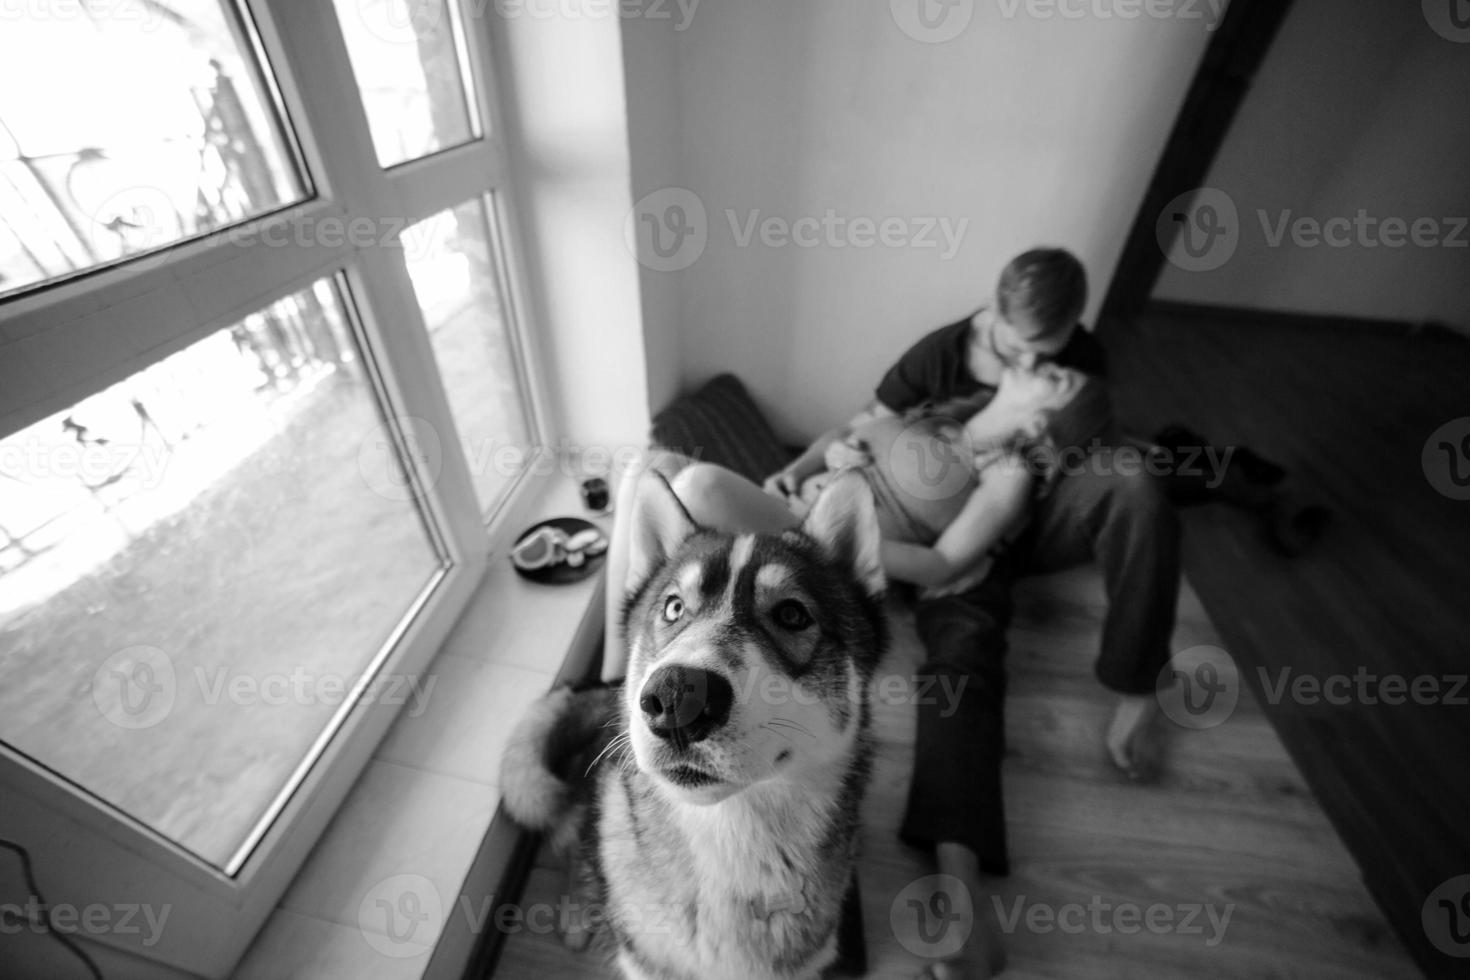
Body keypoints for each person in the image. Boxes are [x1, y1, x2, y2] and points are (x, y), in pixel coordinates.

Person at [764, 247, 1181, 979]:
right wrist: (807, 476)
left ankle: (961, 887)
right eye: (1021, 350)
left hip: (967, 546)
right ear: (993, 316)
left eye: (1051, 364)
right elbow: (861, 426)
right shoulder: (939, 373)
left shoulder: (1040, 436)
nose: (1038, 363)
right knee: (708, 503)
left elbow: (952, 556)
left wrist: (859, 538)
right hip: (871, 522)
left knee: (967, 661)